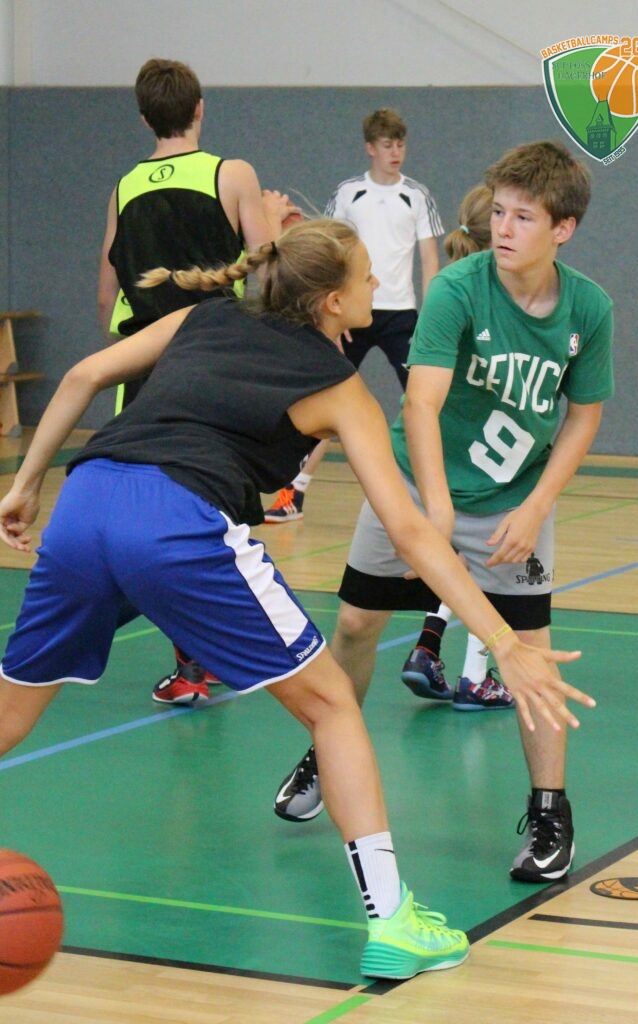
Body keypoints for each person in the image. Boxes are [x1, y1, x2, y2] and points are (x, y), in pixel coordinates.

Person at [0, 219, 594, 979]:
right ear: (333, 301)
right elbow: (411, 532)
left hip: (86, 501)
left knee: (11, 714)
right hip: (177, 520)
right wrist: (504, 642)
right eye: (367, 277)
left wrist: (26, 483)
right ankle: (394, 923)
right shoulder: (342, 390)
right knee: (333, 707)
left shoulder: (205, 315)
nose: (376, 286)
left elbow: (84, 376)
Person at [274, 141, 614, 887]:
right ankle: (328, 749)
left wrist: (537, 504)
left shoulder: (589, 308)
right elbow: (421, 402)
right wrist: (433, 509)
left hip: (511, 501)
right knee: (355, 625)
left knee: (530, 655)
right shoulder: (460, 288)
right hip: (415, 482)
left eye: (524, 217)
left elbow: (583, 415)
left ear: (563, 229)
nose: (504, 228)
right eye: (500, 212)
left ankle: (551, 813)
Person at [96, 57, 291, 704]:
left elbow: (106, 296)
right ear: (200, 107)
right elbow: (270, 271)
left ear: (144, 117)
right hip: (214, 361)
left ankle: (191, 663)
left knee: (153, 516)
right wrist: (275, 218)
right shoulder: (231, 174)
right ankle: (226, 648)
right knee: (214, 512)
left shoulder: (124, 186)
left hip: (144, 367)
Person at [263, 107, 443, 523]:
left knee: (427, 403)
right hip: (351, 311)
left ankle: (440, 494)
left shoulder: (417, 195)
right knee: (324, 400)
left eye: (400, 144)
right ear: (370, 148)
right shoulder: (348, 193)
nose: (395, 152)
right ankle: (293, 493)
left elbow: (430, 261)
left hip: (402, 316)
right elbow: (326, 251)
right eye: (387, 145)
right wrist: (330, 316)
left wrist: (429, 321)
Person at [400, 184, 517, 712]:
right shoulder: (482, 303)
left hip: (438, 456)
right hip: (480, 458)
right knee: (494, 564)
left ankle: (428, 647)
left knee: (463, 561)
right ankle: (475, 676)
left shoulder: (450, 292)